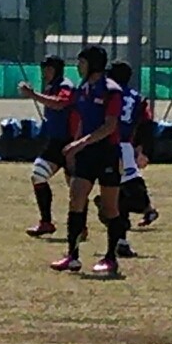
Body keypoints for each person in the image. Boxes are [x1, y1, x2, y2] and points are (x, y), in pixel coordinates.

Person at [51, 45, 127, 277]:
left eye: (81, 62)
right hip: (86, 152)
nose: (78, 66)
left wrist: (80, 143)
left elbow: (109, 126)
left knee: (109, 207)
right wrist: (76, 145)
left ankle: (111, 258)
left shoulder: (111, 90)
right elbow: (82, 119)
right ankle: (72, 256)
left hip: (107, 152)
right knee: (76, 198)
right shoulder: (83, 88)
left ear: (93, 64)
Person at [17, 55, 75, 238]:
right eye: (43, 68)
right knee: (39, 175)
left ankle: (78, 225)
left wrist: (33, 95)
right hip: (56, 141)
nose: (44, 72)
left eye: (48, 68)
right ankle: (46, 222)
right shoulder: (51, 86)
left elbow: (60, 103)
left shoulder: (65, 85)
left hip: (68, 141)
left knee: (76, 187)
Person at [107, 60, 159, 254]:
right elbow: (147, 124)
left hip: (107, 144)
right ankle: (144, 210)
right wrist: (143, 150)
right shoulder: (137, 97)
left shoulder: (107, 92)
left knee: (118, 193)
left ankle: (121, 236)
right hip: (125, 147)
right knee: (123, 189)